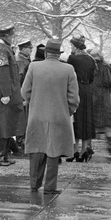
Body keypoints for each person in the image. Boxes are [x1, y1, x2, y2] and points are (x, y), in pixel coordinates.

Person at [21, 37, 79, 195]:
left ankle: (34, 184)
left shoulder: (34, 66)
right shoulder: (68, 69)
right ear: (59, 54)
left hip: (37, 115)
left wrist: (34, 103)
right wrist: (68, 111)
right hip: (59, 116)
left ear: (46, 52)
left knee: (36, 149)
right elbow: (74, 98)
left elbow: (25, 92)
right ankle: (50, 187)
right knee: (54, 151)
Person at [0, 24, 22, 167]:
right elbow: (2, 73)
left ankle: (3, 155)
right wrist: (6, 93)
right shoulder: (1, 50)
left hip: (3, 94)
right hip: (1, 95)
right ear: (6, 36)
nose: (12, 38)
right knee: (0, 124)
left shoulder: (3, 49)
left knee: (6, 123)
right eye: (11, 35)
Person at [66, 35, 96, 161]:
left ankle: (74, 150)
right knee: (86, 119)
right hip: (87, 90)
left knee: (75, 118)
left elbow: (68, 75)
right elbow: (92, 77)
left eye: (71, 45)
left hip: (76, 89)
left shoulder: (72, 59)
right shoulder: (91, 59)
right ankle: (84, 149)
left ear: (75, 46)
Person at [90, 49, 111, 154]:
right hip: (104, 97)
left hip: (92, 96)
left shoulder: (90, 67)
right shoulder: (106, 67)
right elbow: (109, 82)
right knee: (107, 124)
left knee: (91, 123)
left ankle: (88, 145)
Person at [15, 39, 33, 154]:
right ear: (23, 49)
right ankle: (21, 142)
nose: (31, 50)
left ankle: (22, 142)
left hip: (24, 94)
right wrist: (22, 97)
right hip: (22, 95)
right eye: (29, 48)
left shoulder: (24, 60)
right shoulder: (21, 61)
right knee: (22, 120)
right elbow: (20, 79)